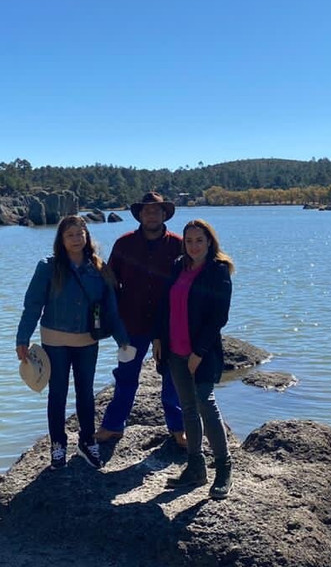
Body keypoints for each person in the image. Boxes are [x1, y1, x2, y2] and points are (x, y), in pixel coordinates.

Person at [16, 215, 129, 470]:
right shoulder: (48, 267)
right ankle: (58, 446)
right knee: (57, 394)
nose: (76, 239)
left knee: (85, 394)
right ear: (61, 239)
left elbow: (111, 309)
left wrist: (123, 340)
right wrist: (22, 337)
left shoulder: (100, 268)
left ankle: (87, 442)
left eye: (80, 234)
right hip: (54, 340)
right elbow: (32, 305)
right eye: (70, 235)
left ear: (87, 236)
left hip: (88, 341)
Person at [95, 192, 186, 446]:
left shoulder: (178, 245)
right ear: (140, 215)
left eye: (156, 210)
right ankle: (113, 426)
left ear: (164, 214)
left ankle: (178, 428)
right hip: (130, 326)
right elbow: (111, 284)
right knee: (126, 376)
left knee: (172, 379)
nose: (152, 214)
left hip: (168, 327)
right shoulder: (124, 244)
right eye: (147, 210)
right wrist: (110, 322)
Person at [153, 218, 234, 500]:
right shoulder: (178, 266)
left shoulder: (218, 271)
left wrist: (199, 353)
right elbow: (165, 305)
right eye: (189, 241)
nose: (194, 245)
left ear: (209, 241)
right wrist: (158, 339)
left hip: (201, 352)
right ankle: (195, 467)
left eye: (199, 240)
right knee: (187, 407)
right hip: (174, 349)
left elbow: (218, 317)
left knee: (205, 405)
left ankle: (224, 469)